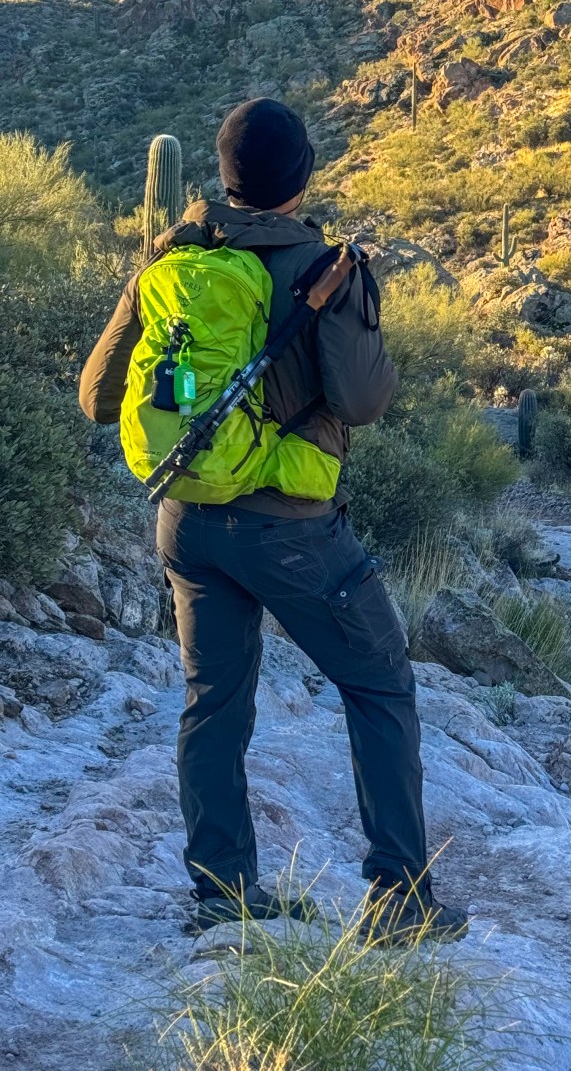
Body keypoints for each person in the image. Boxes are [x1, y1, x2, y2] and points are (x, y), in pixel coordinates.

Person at [79, 97, 465, 941]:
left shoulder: (170, 261)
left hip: (187, 521)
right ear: (301, 179)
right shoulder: (321, 266)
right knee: (378, 682)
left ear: (220, 174)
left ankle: (224, 893)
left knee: (212, 701)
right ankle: (401, 898)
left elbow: (97, 398)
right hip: (290, 527)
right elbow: (362, 403)